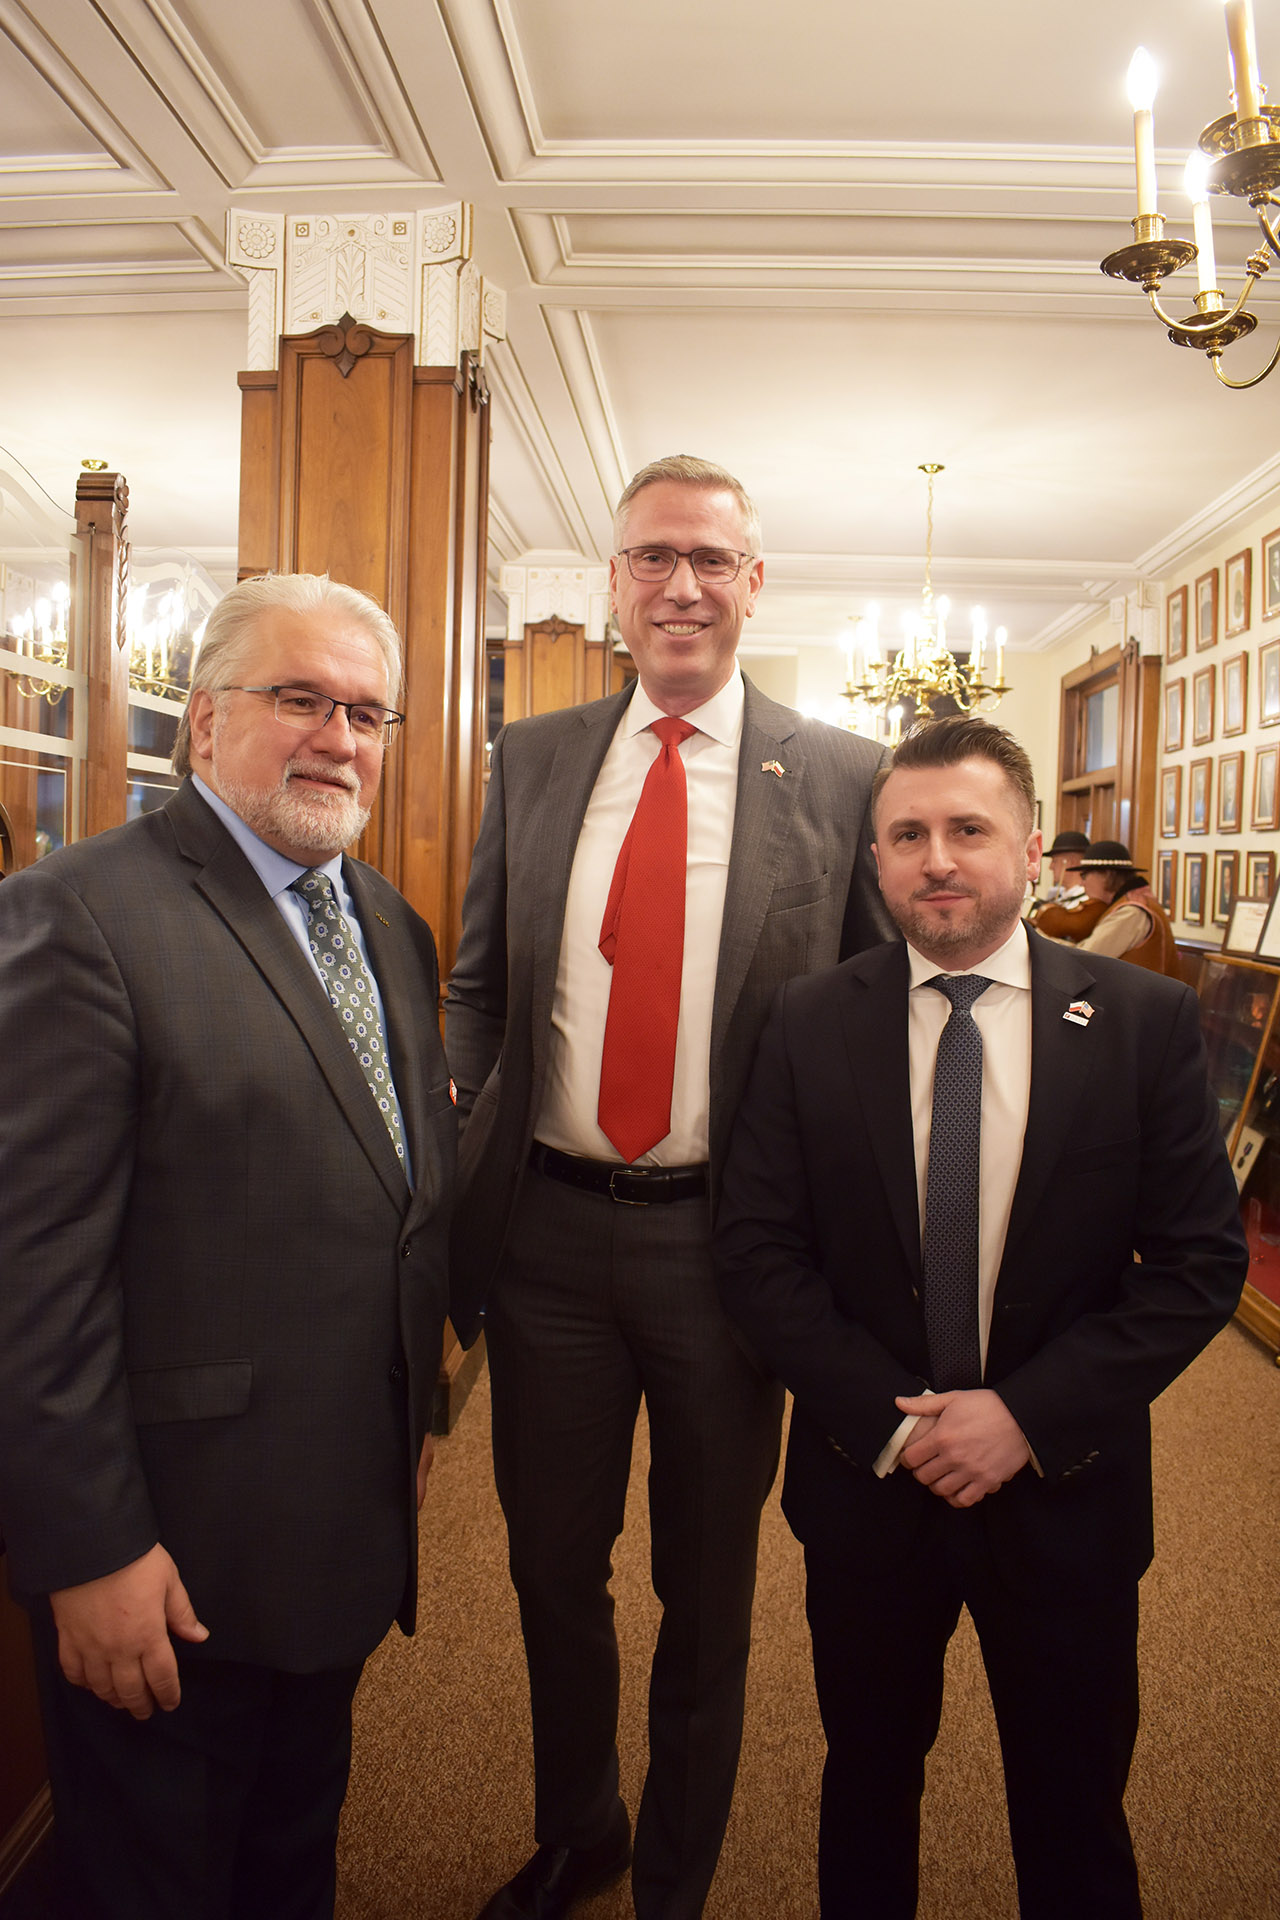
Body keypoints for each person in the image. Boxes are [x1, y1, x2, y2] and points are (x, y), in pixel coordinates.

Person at [446, 454, 891, 1920]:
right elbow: (478, 986)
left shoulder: (842, 776)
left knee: (705, 1592)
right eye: (652, 556)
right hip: (547, 1246)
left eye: (709, 558)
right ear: (614, 582)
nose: (680, 585)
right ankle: (582, 1827)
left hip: (728, 1255)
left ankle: (676, 1885)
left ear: (754, 581)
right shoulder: (535, 755)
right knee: (548, 1567)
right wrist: (460, 1115)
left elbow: (870, 1021)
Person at [715, 714, 1246, 1920]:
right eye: (906, 835)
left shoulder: (1140, 1022)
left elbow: (1193, 1266)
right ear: (875, 859)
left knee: (1072, 1812)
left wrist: (1023, 1417)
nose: (936, 859)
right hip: (869, 1487)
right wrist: (894, 1424)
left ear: (1029, 850)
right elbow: (755, 1253)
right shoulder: (806, 1021)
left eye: (966, 829)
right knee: (864, 1790)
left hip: (1063, 1494)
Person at [0, 573, 457, 1920]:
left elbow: (390, 1197)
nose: (339, 738)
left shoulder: (388, 923)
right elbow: (31, 1273)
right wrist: (88, 1550)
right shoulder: (81, 914)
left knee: (287, 1860)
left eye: (366, 712)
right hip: (166, 1552)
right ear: (203, 720)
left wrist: (412, 1414)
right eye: (299, 699)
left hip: (335, 1529)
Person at [1070, 839, 1181, 976]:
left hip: (1143, 990)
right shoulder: (1134, 902)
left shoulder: (1132, 912)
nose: (1082, 883)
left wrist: (1048, 944)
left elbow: (1085, 958)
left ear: (1106, 875)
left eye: (1084, 875)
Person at [1026, 827, 1106, 941]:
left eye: (1054, 861)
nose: (1050, 867)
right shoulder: (1058, 897)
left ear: (1071, 862)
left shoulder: (1087, 907)